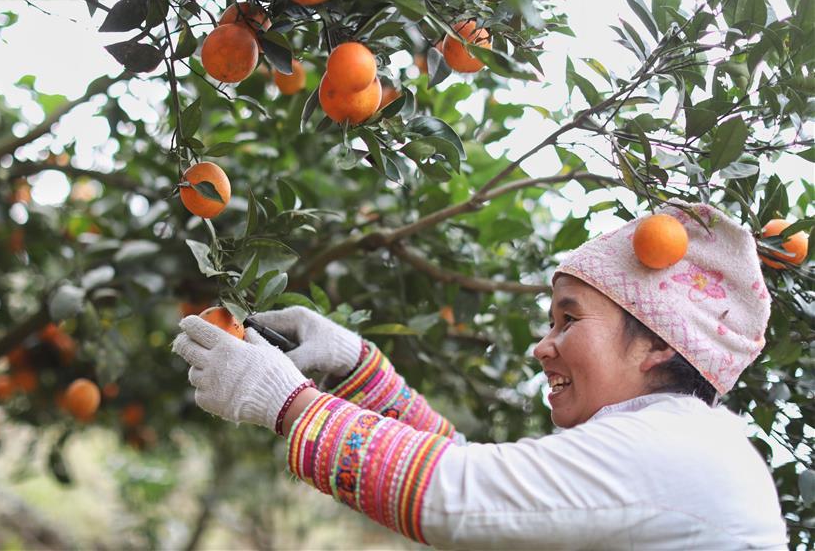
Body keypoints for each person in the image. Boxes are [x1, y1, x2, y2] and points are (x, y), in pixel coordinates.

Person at [172, 202, 787, 549]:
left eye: (568, 319)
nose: (543, 347)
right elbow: (483, 477)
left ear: (656, 343)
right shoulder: (670, 438)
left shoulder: (671, 449)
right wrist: (359, 369)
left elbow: (455, 493)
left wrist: (287, 402)